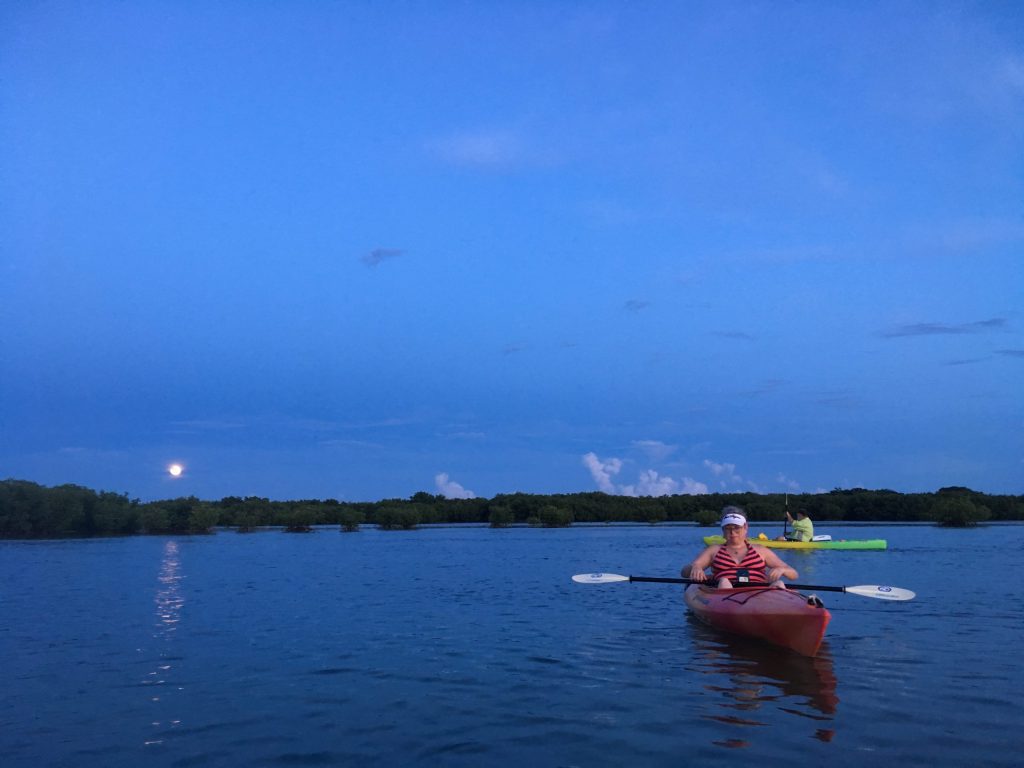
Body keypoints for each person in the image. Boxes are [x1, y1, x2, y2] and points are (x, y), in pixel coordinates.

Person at [685, 506, 797, 588]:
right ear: (723, 531)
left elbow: (793, 574)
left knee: (779, 584)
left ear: (745, 527)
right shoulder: (714, 550)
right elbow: (684, 573)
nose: (732, 532)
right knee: (724, 581)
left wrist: (782, 569)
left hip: (759, 593)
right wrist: (695, 567)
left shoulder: (761, 550)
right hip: (724, 594)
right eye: (728, 528)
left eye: (736, 528)